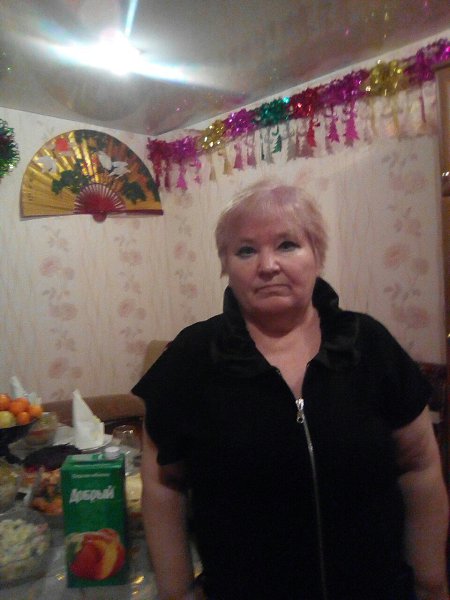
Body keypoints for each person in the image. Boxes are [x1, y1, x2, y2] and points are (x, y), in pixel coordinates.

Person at [133, 180, 449, 600]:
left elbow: (419, 466)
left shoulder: (369, 344)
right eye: (246, 250)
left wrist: (431, 583)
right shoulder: (191, 358)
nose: (268, 265)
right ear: (226, 264)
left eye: (287, 245)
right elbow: (163, 485)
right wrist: (176, 593)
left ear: (317, 254)